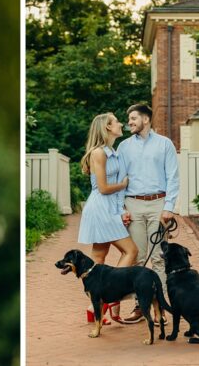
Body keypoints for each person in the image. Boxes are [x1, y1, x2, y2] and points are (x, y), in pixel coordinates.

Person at [116, 104, 180, 324]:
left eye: (133, 118)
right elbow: (119, 180)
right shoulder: (123, 147)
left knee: (158, 258)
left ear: (146, 119)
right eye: (129, 119)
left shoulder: (165, 144)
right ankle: (140, 305)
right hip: (133, 205)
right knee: (138, 258)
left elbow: (173, 177)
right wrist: (122, 208)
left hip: (158, 204)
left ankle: (160, 308)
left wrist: (169, 206)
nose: (130, 123)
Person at [77, 112, 139, 324]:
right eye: (116, 121)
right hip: (101, 208)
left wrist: (121, 209)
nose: (121, 123)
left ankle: (94, 307)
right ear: (107, 128)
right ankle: (107, 298)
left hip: (109, 207)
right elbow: (103, 188)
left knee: (99, 258)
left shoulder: (111, 151)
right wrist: (124, 184)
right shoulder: (98, 153)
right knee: (131, 250)